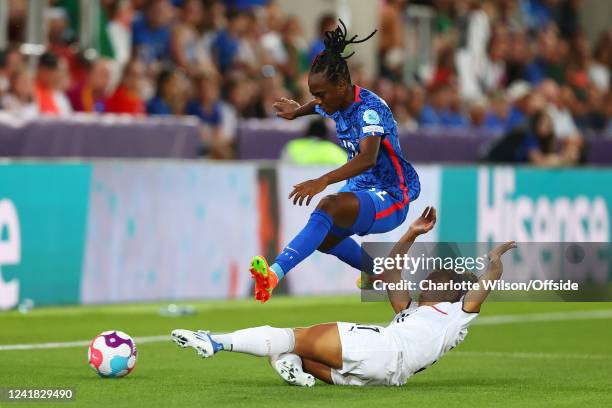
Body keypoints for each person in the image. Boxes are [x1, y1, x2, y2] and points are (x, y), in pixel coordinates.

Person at [171, 207, 517, 387]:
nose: (427, 279)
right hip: (385, 377)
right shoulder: (409, 311)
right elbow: (391, 270)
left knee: (293, 336)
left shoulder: (456, 314)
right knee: (298, 352)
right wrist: (411, 232)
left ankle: (215, 342)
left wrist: (494, 260)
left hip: (382, 350)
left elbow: (488, 280)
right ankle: (296, 368)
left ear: (451, 291)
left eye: (436, 279)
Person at [248, 20, 421, 303]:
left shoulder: (369, 111)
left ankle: (273, 275)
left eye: (321, 93)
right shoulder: (336, 100)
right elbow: (319, 105)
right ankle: (375, 273)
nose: (318, 100)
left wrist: (323, 180)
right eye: (314, 93)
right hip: (362, 188)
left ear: (342, 84)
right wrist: (298, 111)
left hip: (391, 195)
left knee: (326, 206)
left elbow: (368, 158)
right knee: (325, 238)